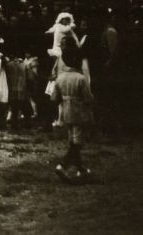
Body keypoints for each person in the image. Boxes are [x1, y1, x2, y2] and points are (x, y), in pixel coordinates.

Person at [52, 36, 94, 183]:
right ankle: (62, 164)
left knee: (72, 139)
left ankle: (81, 168)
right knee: (77, 142)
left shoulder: (60, 78)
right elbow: (88, 97)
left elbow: (53, 98)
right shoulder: (80, 78)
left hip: (65, 111)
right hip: (79, 111)